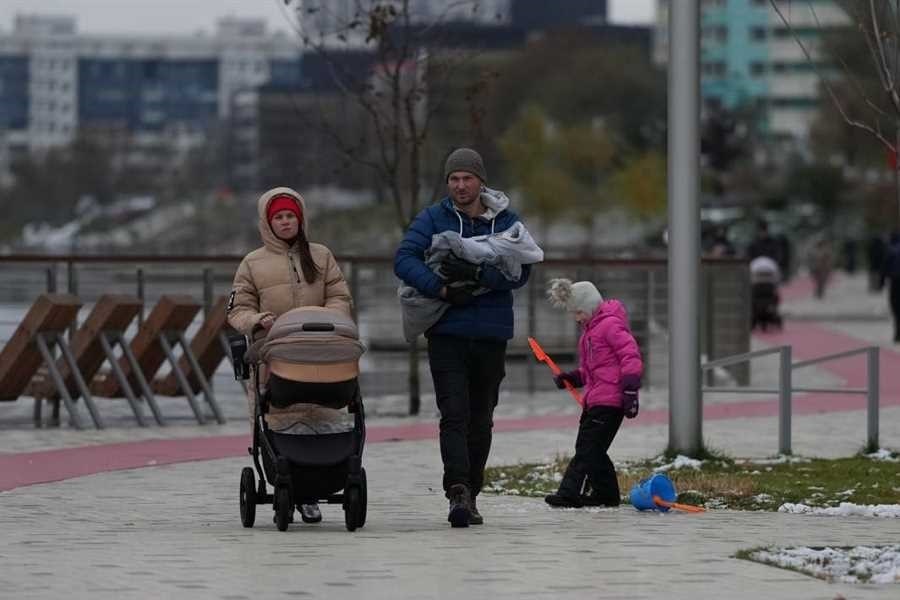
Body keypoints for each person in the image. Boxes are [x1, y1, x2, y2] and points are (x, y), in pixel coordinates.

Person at [394, 147, 534, 527]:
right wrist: (440, 289)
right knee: (452, 414)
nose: (460, 185)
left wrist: (475, 275)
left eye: (466, 178)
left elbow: (521, 272)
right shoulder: (434, 217)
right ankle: (457, 490)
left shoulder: (506, 221)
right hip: (447, 331)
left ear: (480, 181)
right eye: (453, 179)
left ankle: (472, 489)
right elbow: (404, 259)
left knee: (481, 418)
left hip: (491, 333)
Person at [227, 186, 352, 524]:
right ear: (268, 223)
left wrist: (329, 320)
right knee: (282, 417)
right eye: (279, 217)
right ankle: (292, 484)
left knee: (321, 414)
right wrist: (256, 321)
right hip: (275, 357)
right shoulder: (252, 264)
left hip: (321, 353)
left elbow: (340, 296)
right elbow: (237, 309)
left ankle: (316, 486)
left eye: (290, 216)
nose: (285, 222)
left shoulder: (321, 256)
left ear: (300, 219)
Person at [543, 279, 643, 508]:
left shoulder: (610, 326)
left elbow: (631, 357)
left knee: (587, 449)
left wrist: (630, 390)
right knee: (593, 449)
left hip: (611, 401)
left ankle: (568, 493)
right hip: (595, 399)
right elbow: (591, 370)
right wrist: (572, 378)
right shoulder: (590, 332)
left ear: (589, 306)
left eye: (579, 312)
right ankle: (606, 495)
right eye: (573, 314)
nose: (577, 318)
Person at [880, 231, 900, 342]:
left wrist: (881, 283)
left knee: (896, 307)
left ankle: (897, 333)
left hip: (895, 281)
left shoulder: (891, 250)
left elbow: (884, 267)